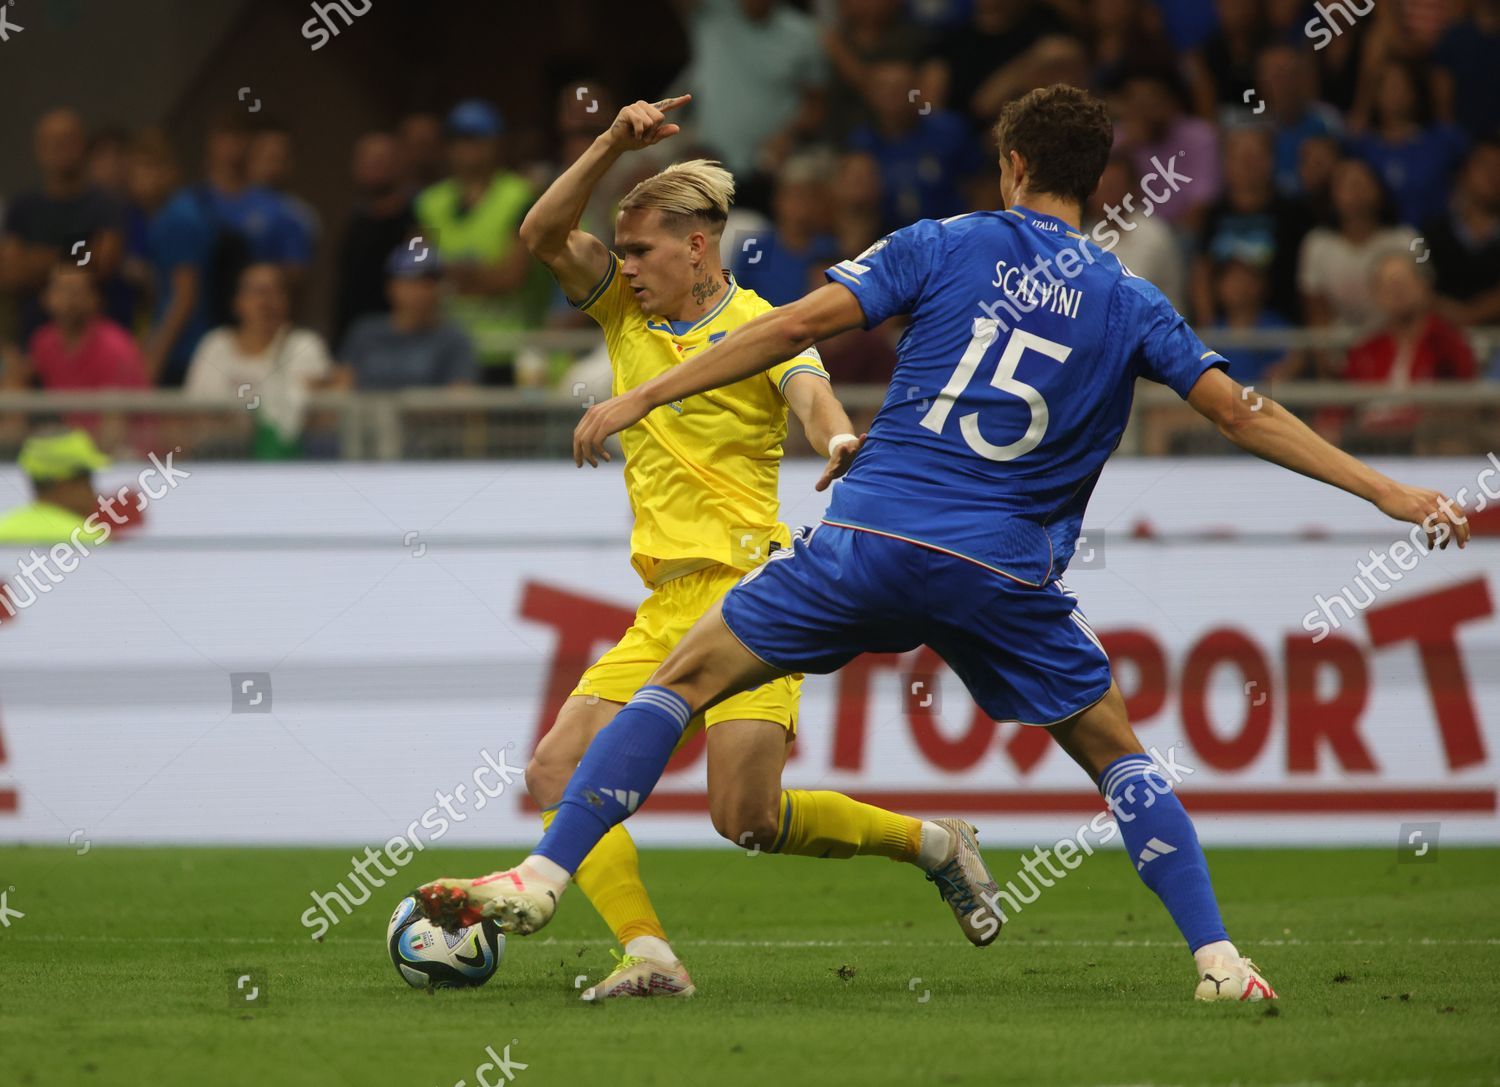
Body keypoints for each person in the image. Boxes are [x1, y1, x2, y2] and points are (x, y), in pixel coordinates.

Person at [420, 84, 1473, 1003]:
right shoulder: (1133, 300)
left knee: (684, 679)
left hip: (873, 536)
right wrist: (1386, 490)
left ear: (1011, 166)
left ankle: (548, 875)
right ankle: (1221, 961)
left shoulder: (945, 241)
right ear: (1095, 182)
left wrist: (643, 390)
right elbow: (1243, 413)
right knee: (1117, 756)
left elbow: (796, 331)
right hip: (1002, 572)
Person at [429, 95, 999, 1003]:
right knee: (553, 768)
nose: (627, 268)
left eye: (643, 250)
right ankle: (650, 952)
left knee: (745, 815)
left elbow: (813, 397)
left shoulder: (766, 327)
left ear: (697, 246)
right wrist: (612, 141)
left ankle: (933, 842)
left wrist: (841, 442)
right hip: (666, 602)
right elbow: (541, 231)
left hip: (754, 593)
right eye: (621, 254)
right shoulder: (624, 314)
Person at [413, 100, 545, 384]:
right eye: (457, 139)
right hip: (447, 347)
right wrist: (476, 277)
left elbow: (511, 277)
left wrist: (452, 278)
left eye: (474, 139)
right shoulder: (430, 203)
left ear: (495, 144)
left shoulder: (519, 196)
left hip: (506, 348)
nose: (465, 148)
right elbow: (418, 275)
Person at [183, 263, 335, 459]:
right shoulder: (215, 344)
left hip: (286, 463)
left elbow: (313, 415)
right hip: (216, 460)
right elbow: (192, 412)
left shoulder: (304, 344)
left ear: (287, 301)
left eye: (275, 292)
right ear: (238, 301)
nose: (266, 302)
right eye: (257, 292)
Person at [0, 109, 126, 340]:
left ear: (82, 146)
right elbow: (9, 274)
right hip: (32, 340)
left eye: (67, 141)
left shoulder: (105, 204)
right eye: (52, 142)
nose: (60, 149)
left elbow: (104, 259)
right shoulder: (22, 207)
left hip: (93, 343)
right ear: (38, 149)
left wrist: (32, 258)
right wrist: (80, 252)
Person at [126, 130, 217, 385]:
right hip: (174, 343)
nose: (140, 181)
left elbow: (185, 296)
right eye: (134, 173)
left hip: (184, 349)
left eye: (149, 169)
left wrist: (156, 354)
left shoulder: (178, 218)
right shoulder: (158, 217)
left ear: (170, 172)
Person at [339, 246, 475, 389]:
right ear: (392, 286)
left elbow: (461, 395)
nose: (419, 291)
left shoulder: (453, 339)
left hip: (426, 411)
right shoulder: (366, 332)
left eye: (427, 283)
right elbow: (342, 384)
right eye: (410, 281)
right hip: (367, 411)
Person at [332, 132, 417, 347]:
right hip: (354, 337)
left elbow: (421, 282)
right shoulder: (354, 222)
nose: (373, 169)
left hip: (403, 337)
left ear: (399, 165)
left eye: (380, 161)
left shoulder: (417, 219)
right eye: (366, 161)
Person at [21, 266, 147, 392]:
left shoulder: (116, 346)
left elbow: (122, 407)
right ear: (46, 297)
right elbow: (20, 379)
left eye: (76, 292)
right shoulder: (42, 342)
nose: (68, 300)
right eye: (61, 290)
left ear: (94, 299)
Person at [0, 430, 115, 548]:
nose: (92, 494)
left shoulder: (2, 529)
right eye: (87, 483)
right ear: (64, 485)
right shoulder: (88, 538)